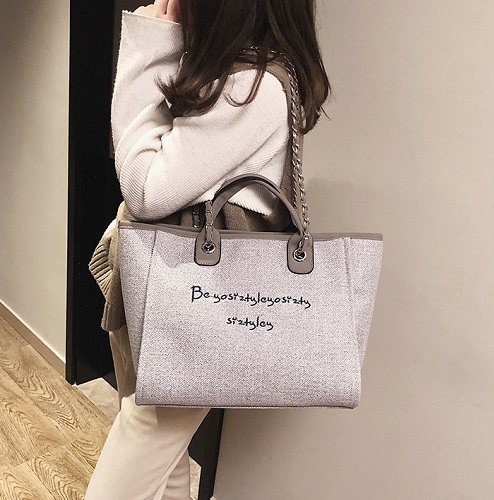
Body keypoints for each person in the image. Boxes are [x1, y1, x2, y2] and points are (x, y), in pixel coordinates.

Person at [85, 0, 330, 498]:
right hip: (165, 292)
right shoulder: (236, 72)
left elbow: (145, 188)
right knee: (165, 454)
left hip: (189, 304)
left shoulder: (252, 89)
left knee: (144, 433)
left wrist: (151, 42)